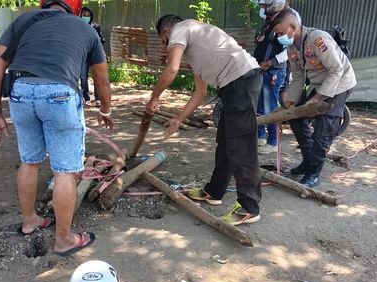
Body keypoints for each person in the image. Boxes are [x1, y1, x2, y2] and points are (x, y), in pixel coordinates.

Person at [0, 0, 116, 256]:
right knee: (65, 171)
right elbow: (102, 79)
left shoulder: (23, 20)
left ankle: (29, 221)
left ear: (43, 4)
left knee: (30, 161)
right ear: (76, 9)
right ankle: (65, 240)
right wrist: (105, 110)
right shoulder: (86, 29)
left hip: (20, 90)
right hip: (60, 93)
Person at [145, 15, 262, 226]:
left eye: (165, 43)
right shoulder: (198, 47)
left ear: (165, 33)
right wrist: (179, 119)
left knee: (241, 146)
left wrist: (154, 97)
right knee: (226, 143)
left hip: (241, 82)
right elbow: (200, 93)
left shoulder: (181, 28)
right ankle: (214, 192)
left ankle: (249, 207)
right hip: (234, 86)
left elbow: (171, 69)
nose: (168, 47)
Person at [273, 8, 356, 187]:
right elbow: (297, 77)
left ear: (292, 27)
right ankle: (308, 160)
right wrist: (290, 104)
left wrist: (317, 98)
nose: (279, 37)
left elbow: (337, 70)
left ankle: (314, 171)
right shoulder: (291, 46)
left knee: (325, 126)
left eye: (280, 33)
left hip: (340, 83)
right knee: (295, 118)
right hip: (320, 84)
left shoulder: (318, 40)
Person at [253, 0, 288, 154]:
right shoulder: (268, 22)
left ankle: (273, 142)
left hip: (274, 71)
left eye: (264, 5)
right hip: (262, 69)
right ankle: (260, 136)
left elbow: (288, 51)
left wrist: (270, 62)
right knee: (260, 104)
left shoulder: (284, 24)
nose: (262, 8)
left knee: (270, 106)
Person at [80, 6, 106, 107]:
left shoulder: (95, 26)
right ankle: (85, 98)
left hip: (94, 56)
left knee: (97, 77)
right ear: (81, 15)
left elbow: (101, 40)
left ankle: (98, 98)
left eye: (88, 15)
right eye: (84, 15)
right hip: (83, 56)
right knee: (83, 78)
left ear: (91, 16)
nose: (86, 17)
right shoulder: (78, 26)